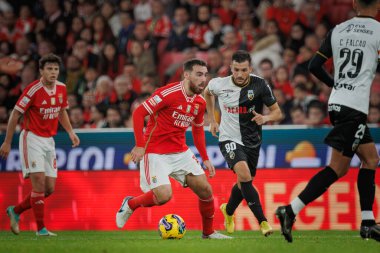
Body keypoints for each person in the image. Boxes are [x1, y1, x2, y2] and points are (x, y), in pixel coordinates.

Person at [276, 0, 380, 243]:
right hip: (354, 108)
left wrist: (337, 85)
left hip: (337, 103)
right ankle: (290, 210)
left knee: (370, 159)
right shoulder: (377, 30)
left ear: (354, 4)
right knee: (338, 168)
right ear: (377, 6)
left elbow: (314, 65)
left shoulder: (339, 30)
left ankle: (367, 223)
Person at [115, 59, 231, 239]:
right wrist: (139, 145)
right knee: (163, 196)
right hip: (155, 151)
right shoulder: (168, 93)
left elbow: (198, 129)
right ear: (186, 75)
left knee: (206, 191)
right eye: (199, 74)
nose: (203, 79)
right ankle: (130, 204)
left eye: (205, 75)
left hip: (180, 152)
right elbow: (139, 113)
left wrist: (205, 158)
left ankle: (208, 232)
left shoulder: (199, 102)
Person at [204, 50, 283, 236]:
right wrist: (213, 120)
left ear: (250, 69)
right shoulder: (219, 83)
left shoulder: (261, 85)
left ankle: (228, 211)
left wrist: (266, 118)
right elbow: (208, 93)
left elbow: (278, 112)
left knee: (244, 182)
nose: (239, 74)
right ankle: (263, 222)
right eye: (236, 69)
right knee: (245, 175)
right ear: (231, 67)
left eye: (244, 70)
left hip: (252, 141)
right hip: (228, 138)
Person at [1, 54, 80, 236]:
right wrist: (7, 141)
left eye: (56, 69)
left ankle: (16, 211)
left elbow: (61, 111)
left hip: (49, 141)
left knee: (49, 189)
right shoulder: (33, 90)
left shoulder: (61, 88)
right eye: (49, 69)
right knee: (39, 185)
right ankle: (41, 229)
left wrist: (70, 132)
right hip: (32, 139)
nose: (53, 72)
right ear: (41, 71)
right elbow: (15, 114)